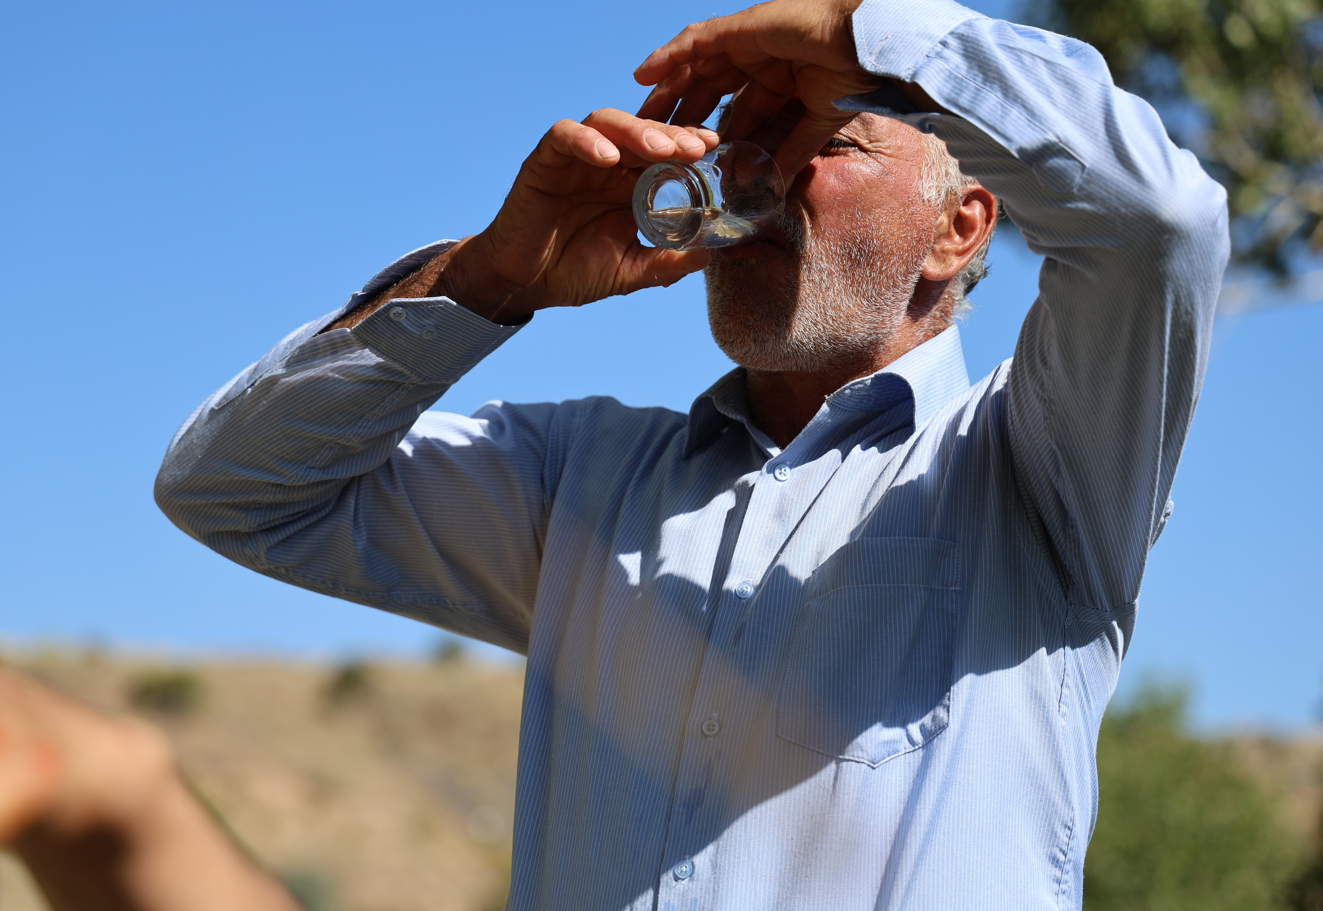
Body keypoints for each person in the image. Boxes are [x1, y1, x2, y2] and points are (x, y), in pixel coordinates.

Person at [7, 0, 1228, 906]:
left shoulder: (1035, 466)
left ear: (959, 229)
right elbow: (230, 488)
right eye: (749, 145)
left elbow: (1159, 223)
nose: (764, 175)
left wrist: (874, 37)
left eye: (831, 144)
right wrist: (491, 279)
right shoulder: (584, 479)